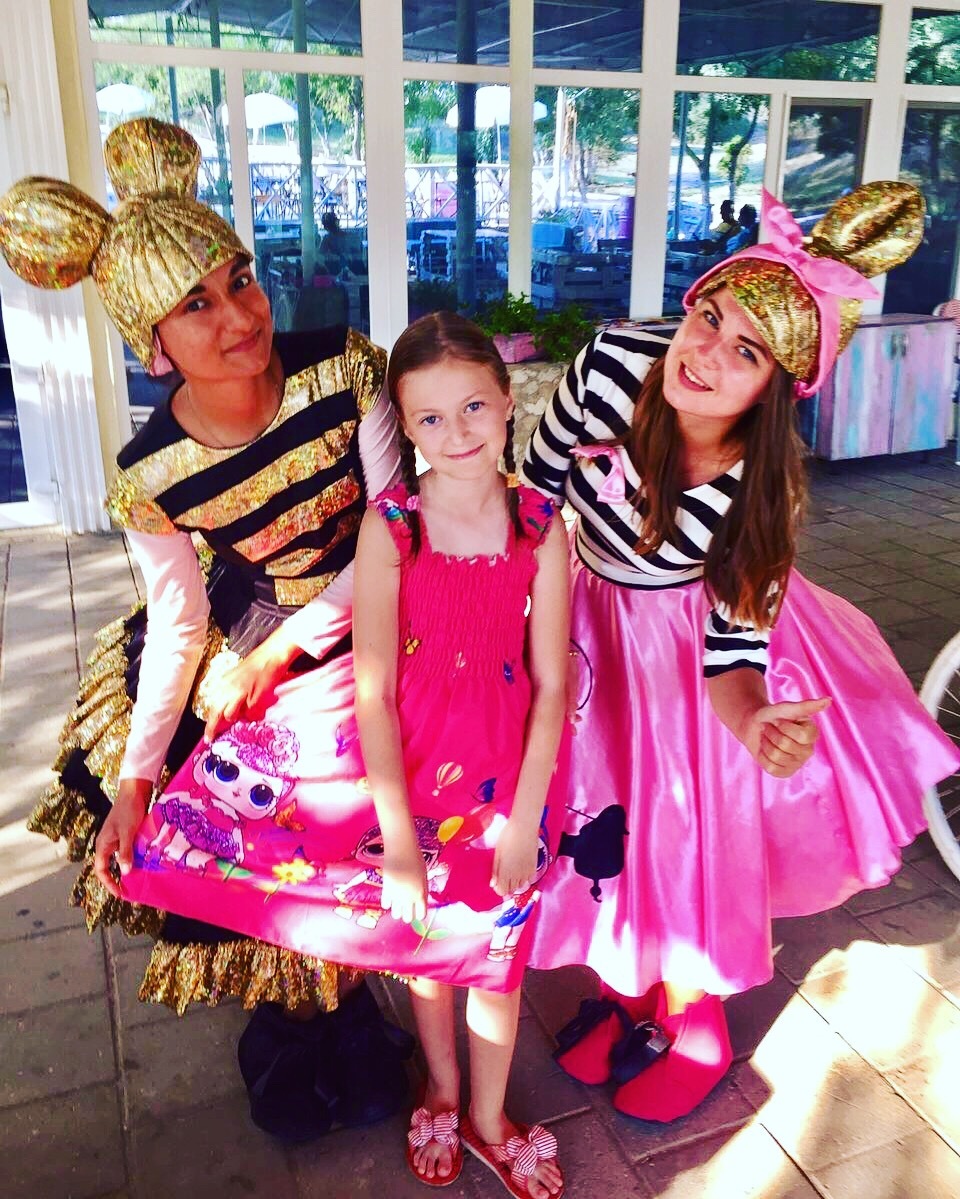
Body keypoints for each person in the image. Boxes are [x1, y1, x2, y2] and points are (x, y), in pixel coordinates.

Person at [0, 117, 411, 1140]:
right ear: (152, 348)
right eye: (197, 304)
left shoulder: (345, 370)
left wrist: (280, 650)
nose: (241, 314)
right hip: (244, 628)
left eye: (241, 279)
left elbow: (397, 537)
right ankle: (289, 1022)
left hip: (375, 617)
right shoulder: (149, 473)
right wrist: (137, 780)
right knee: (260, 834)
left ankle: (354, 1009)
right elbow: (181, 622)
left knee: (358, 831)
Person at [520, 181, 960, 1123]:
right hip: (583, 619)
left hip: (685, 657)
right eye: (709, 317)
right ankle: (625, 993)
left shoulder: (761, 496)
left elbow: (731, 655)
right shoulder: (610, 362)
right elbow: (533, 497)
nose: (707, 353)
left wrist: (755, 721)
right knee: (595, 819)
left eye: (747, 351)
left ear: (776, 387)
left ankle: (697, 1022)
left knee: (676, 833)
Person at [352, 312, 569, 1194]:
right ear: (406, 427)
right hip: (417, 779)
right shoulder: (392, 526)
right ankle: (441, 1087)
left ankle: (487, 1112)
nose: (457, 433)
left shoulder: (540, 526)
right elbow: (372, 689)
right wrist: (400, 838)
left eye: (474, 406)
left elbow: (552, 686)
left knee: (498, 959)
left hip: (509, 781)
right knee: (430, 951)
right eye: (431, 418)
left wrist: (524, 820)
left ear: (508, 399)